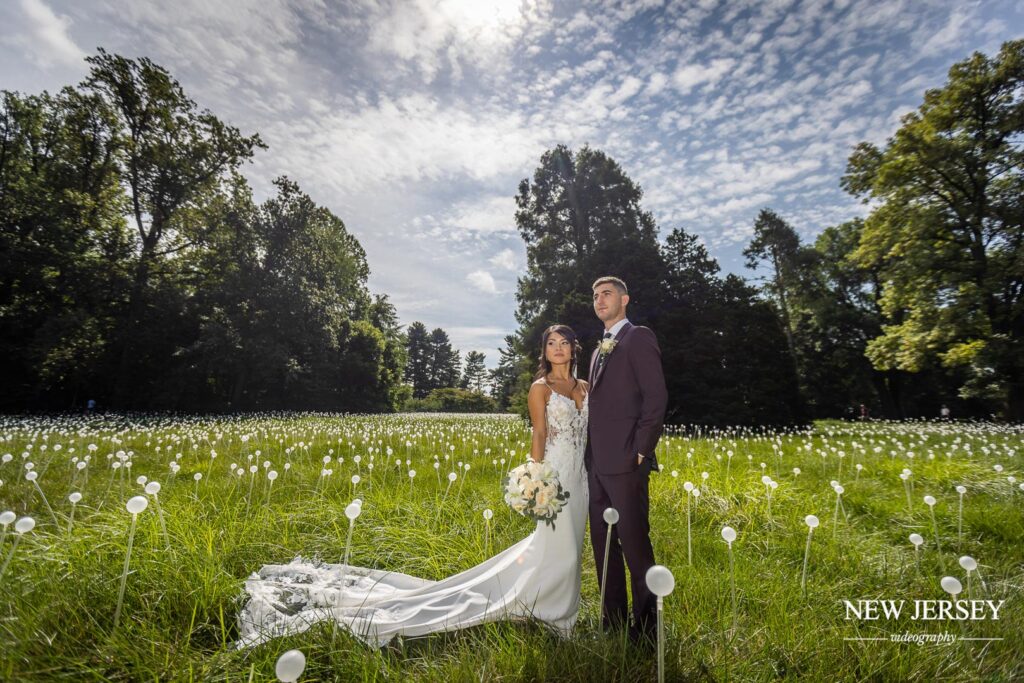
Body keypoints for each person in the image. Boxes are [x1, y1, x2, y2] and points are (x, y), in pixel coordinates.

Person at [236, 325, 590, 649]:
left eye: (563, 344)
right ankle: (556, 614)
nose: (557, 349)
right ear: (544, 351)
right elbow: (539, 434)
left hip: (582, 478)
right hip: (554, 478)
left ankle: (551, 601)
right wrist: (535, 478)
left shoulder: (584, 387)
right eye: (550, 344)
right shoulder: (540, 388)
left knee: (571, 546)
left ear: (573, 350)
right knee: (559, 547)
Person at [585, 276, 667, 647]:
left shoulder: (638, 337)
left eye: (607, 294)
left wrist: (641, 449)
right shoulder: (596, 350)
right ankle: (612, 618)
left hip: (627, 462)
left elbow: (656, 398)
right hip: (597, 466)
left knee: (635, 545)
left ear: (624, 300)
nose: (600, 301)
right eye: (596, 296)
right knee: (603, 546)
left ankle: (648, 628)